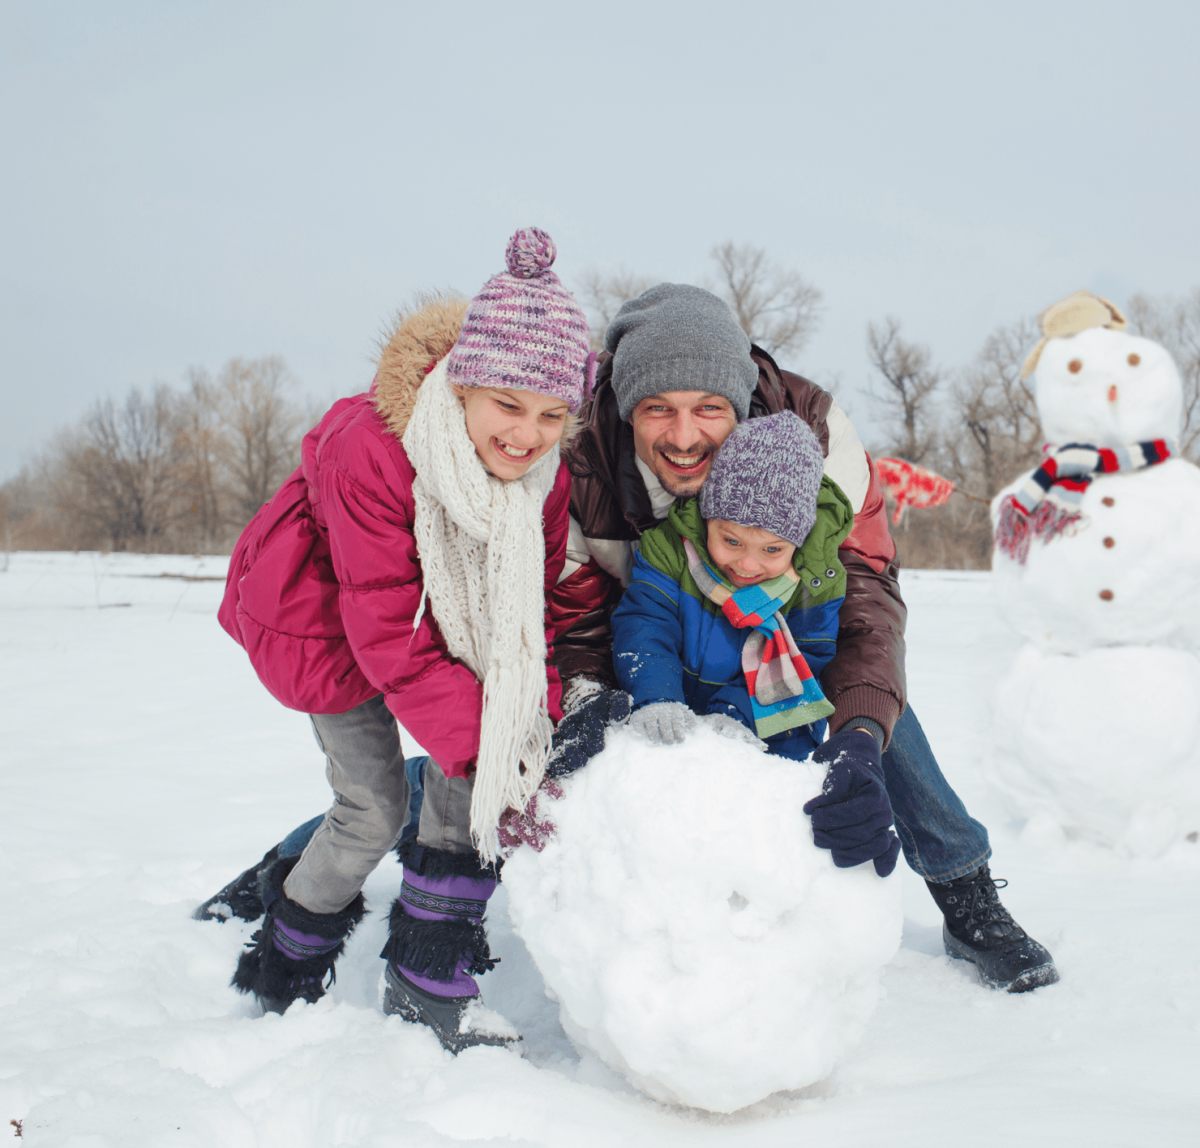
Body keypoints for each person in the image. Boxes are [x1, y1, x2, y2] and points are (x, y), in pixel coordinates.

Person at [549, 283, 1059, 993]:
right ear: (626, 406)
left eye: (710, 409)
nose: (685, 434)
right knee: (531, 745)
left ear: (742, 407)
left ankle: (962, 885)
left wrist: (847, 743)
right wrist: (593, 700)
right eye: (657, 408)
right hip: (652, 650)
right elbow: (576, 618)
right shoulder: (578, 456)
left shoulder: (813, 431)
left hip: (776, 654)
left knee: (874, 709)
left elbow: (861, 613)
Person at [203, 227, 599, 1051]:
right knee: (374, 808)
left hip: (435, 617)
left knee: (478, 761)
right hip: (321, 619)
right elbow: (384, 629)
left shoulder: (542, 475)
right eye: (509, 406)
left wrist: (528, 737)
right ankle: (286, 961)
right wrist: (488, 754)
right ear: (464, 387)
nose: (527, 435)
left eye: (553, 415)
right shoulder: (370, 450)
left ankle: (428, 979)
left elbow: (542, 614)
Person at [611, 410, 901, 876]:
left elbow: (807, 661)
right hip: (669, 720)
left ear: (798, 541)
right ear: (708, 516)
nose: (746, 565)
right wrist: (656, 694)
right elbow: (646, 624)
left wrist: (737, 715)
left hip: (768, 730)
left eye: (771, 550)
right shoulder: (671, 550)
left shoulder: (815, 583)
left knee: (748, 848)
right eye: (731, 540)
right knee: (664, 843)